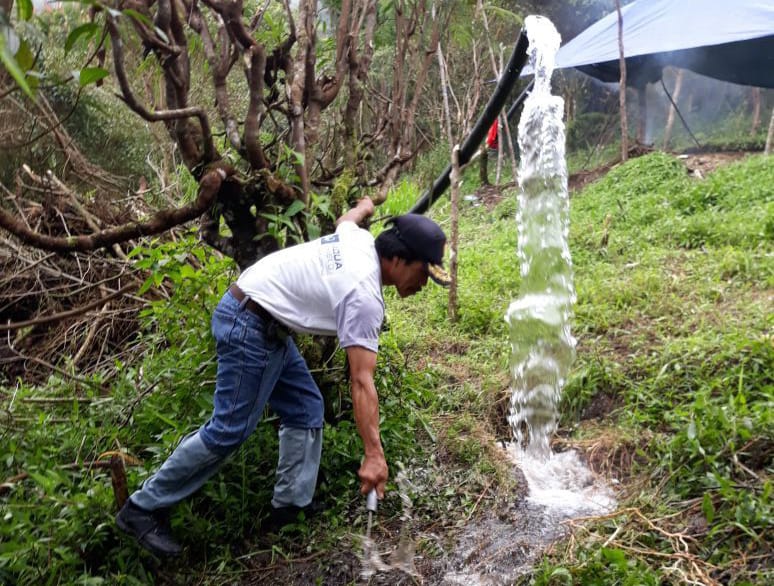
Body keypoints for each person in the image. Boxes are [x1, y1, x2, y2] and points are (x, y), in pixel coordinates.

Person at [115, 198, 450, 556]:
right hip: (249, 322)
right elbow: (361, 382)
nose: (423, 285)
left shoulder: (358, 240)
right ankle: (142, 508)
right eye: (423, 273)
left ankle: (289, 508)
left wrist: (364, 206)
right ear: (398, 260)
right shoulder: (363, 295)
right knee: (229, 428)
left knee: (305, 407)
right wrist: (373, 455)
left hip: (266, 319)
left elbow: (346, 218)